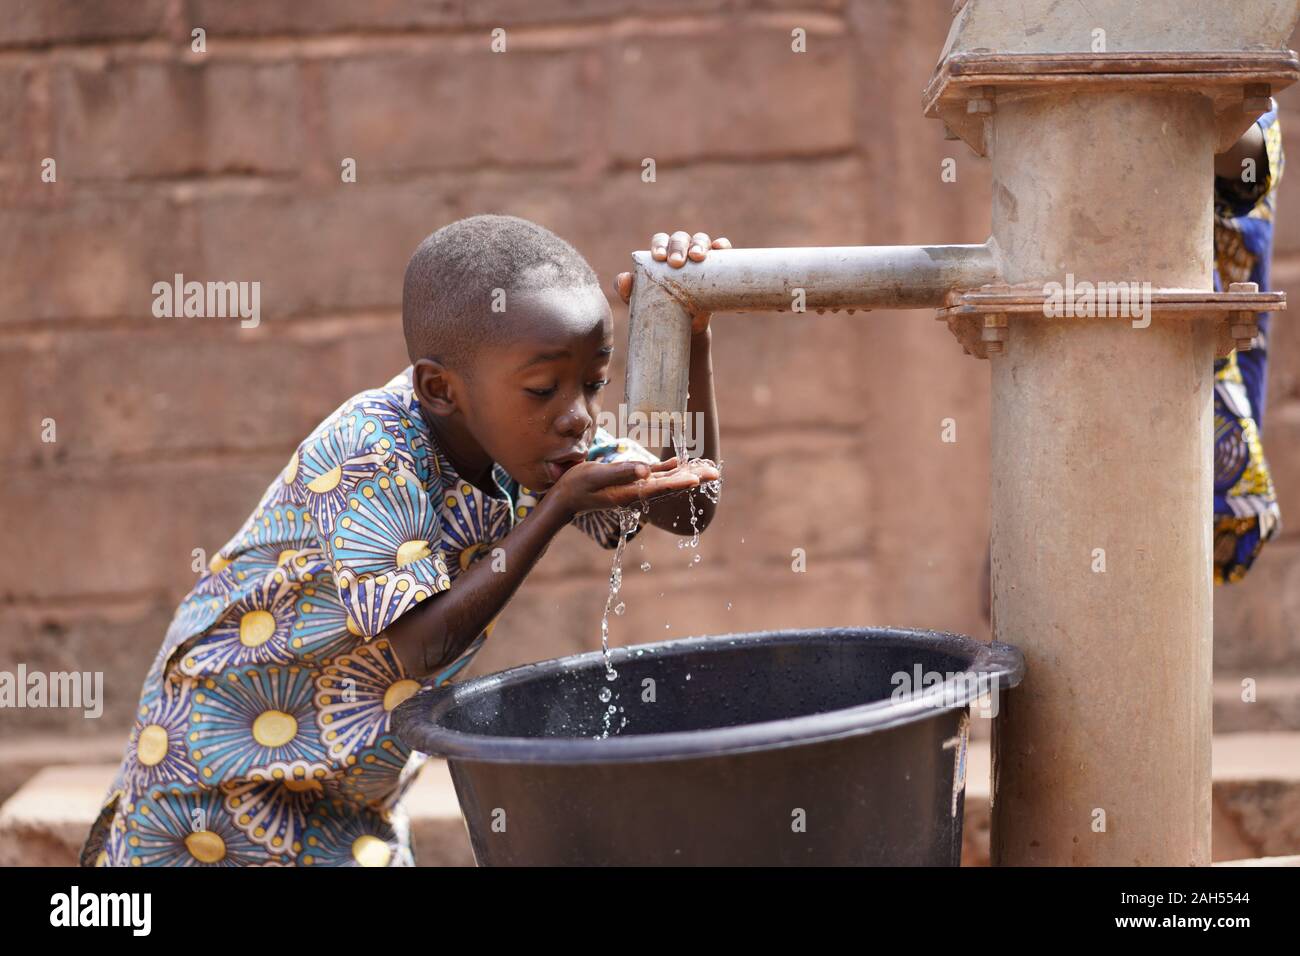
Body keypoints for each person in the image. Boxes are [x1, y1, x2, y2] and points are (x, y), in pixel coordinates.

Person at [79, 215, 726, 866]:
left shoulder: (544, 445)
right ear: (441, 390)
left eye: (593, 384)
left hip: (354, 797)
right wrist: (555, 509)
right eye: (543, 388)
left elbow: (689, 507)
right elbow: (416, 646)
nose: (577, 416)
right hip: (211, 780)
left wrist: (691, 330)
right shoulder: (370, 450)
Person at [980, 107, 1284, 619]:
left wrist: (1155, 91)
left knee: (1149, 600)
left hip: (1175, 360)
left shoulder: (1215, 66)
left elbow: (1252, 160)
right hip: (1069, 351)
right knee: (1020, 594)